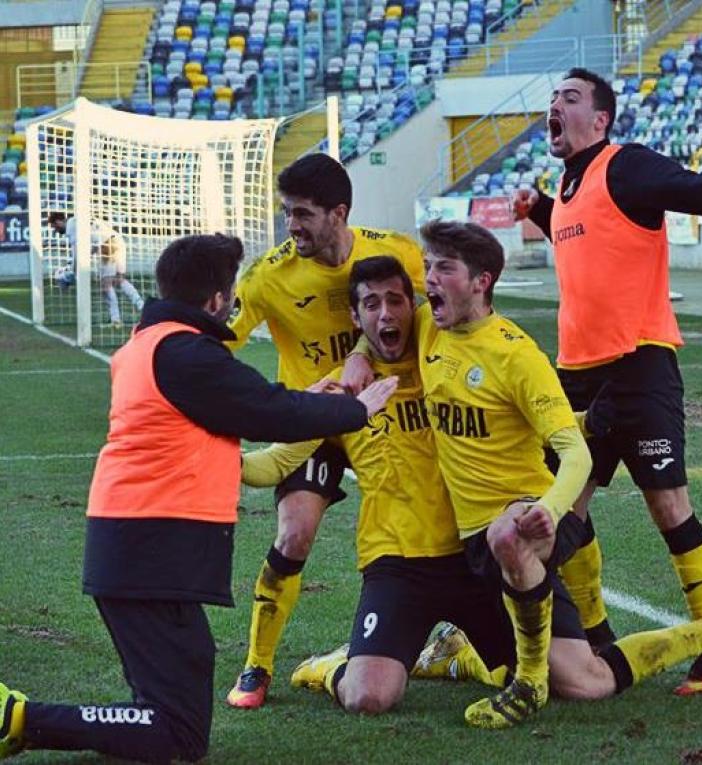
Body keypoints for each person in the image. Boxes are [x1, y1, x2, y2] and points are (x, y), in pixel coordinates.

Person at [344, 221, 702, 729]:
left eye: (444, 268)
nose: (430, 280)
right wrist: (357, 356)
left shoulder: (516, 354)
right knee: (586, 682)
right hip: (479, 545)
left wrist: (547, 511)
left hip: (529, 522)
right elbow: (378, 326)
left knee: (507, 534)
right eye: (428, 267)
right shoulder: (427, 326)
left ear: (481, 281)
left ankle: (527, 685)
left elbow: (575, 454)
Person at [0, 234, 397, 762]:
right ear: (214, 299)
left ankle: (26, 720)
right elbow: (263, 411)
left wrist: (307, 399)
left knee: (170, 711)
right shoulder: (185, 351)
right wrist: (355, 411)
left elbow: (250, 409)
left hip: (138, 550)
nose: (233, 303)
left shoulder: (153, 345)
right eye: (230, 292)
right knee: (177, 733)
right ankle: (20, 718)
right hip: (149, 553)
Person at [511, 68, 702, 696]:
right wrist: (542, 210)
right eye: (553, 98)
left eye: (570, 98)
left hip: (639, 365)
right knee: (568, 506)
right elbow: (583, 235)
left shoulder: (624, 165)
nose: (555, 105)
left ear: (601, 120)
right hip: (577, 374)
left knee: (668, 507)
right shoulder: (571, 183)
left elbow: (688, 187)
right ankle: (598, 633)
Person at [241, 255, 517, 714]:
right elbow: (275, 462)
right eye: (371, 304)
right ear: (355, 316)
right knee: (369, 697)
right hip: (397, 564)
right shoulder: (340, 393)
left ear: (415, 306)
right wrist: (213, 458)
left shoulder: (446, 361)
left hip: (473, 553)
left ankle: (458, 657)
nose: (386, 313)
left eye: (395, 300)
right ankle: (329, 667)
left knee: (535, 673)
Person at [224, 153, 426, 709]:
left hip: (382, 417)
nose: (292, 225)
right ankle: (256, 666)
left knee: (433, 522)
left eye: (303, 214)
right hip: (311, 424)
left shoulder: (397, 254)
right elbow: (222, 342)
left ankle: (425, 634)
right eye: (287, 212)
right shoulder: (269, 277)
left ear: (339, 214)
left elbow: (436, 318)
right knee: (294, 534)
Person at [47, 212, 145, 328]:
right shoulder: (78, 220)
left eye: (55, 227)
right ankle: (142, 306)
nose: (56, 231)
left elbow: (77, 254)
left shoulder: (71, 227)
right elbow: (92, 245)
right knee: (119, 280)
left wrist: (72, 272)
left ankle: (116, 320)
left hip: (107, 245)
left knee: (106, 285)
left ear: (58, 221)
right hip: (117, 240)